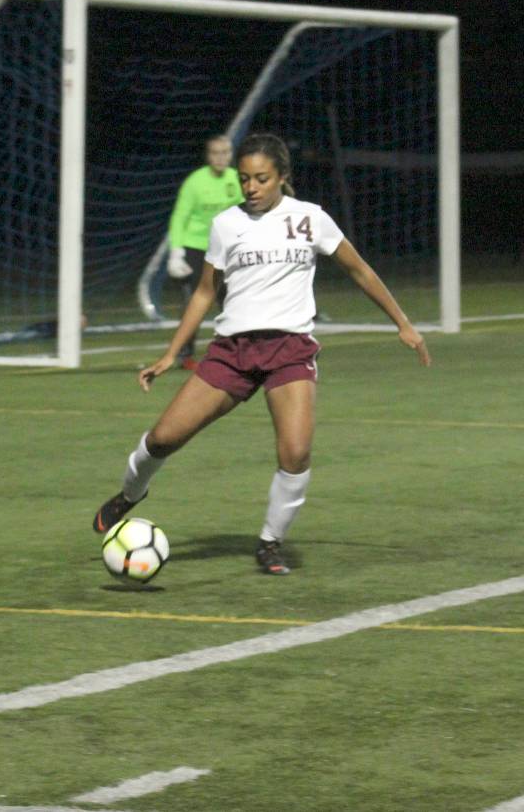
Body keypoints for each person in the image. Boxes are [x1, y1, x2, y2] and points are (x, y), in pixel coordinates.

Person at [92, 132, 431, 575]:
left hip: (289, 351)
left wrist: (402, 323)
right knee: (163, 439)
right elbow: (204, 294)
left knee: (295, 452)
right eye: (244, 179)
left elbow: (360, 270)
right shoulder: (226, 224)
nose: (251, 188)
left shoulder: (311, 219)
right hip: (231, 351)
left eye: (261, 179)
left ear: (283, 178)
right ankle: (129, 495)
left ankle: (270, 544)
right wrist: (171, 354)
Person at [165, 134, 244, 369]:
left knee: (232, 301)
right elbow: (180, 216)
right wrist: (176, 251)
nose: (221, 157)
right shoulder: (195, 182)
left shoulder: (237, 179)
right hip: (196, 248)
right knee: (193, 302)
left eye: (225, 152)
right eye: (215, 153)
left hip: (228, 248)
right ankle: (184, 355)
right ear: (208, 156)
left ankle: (237, 351)